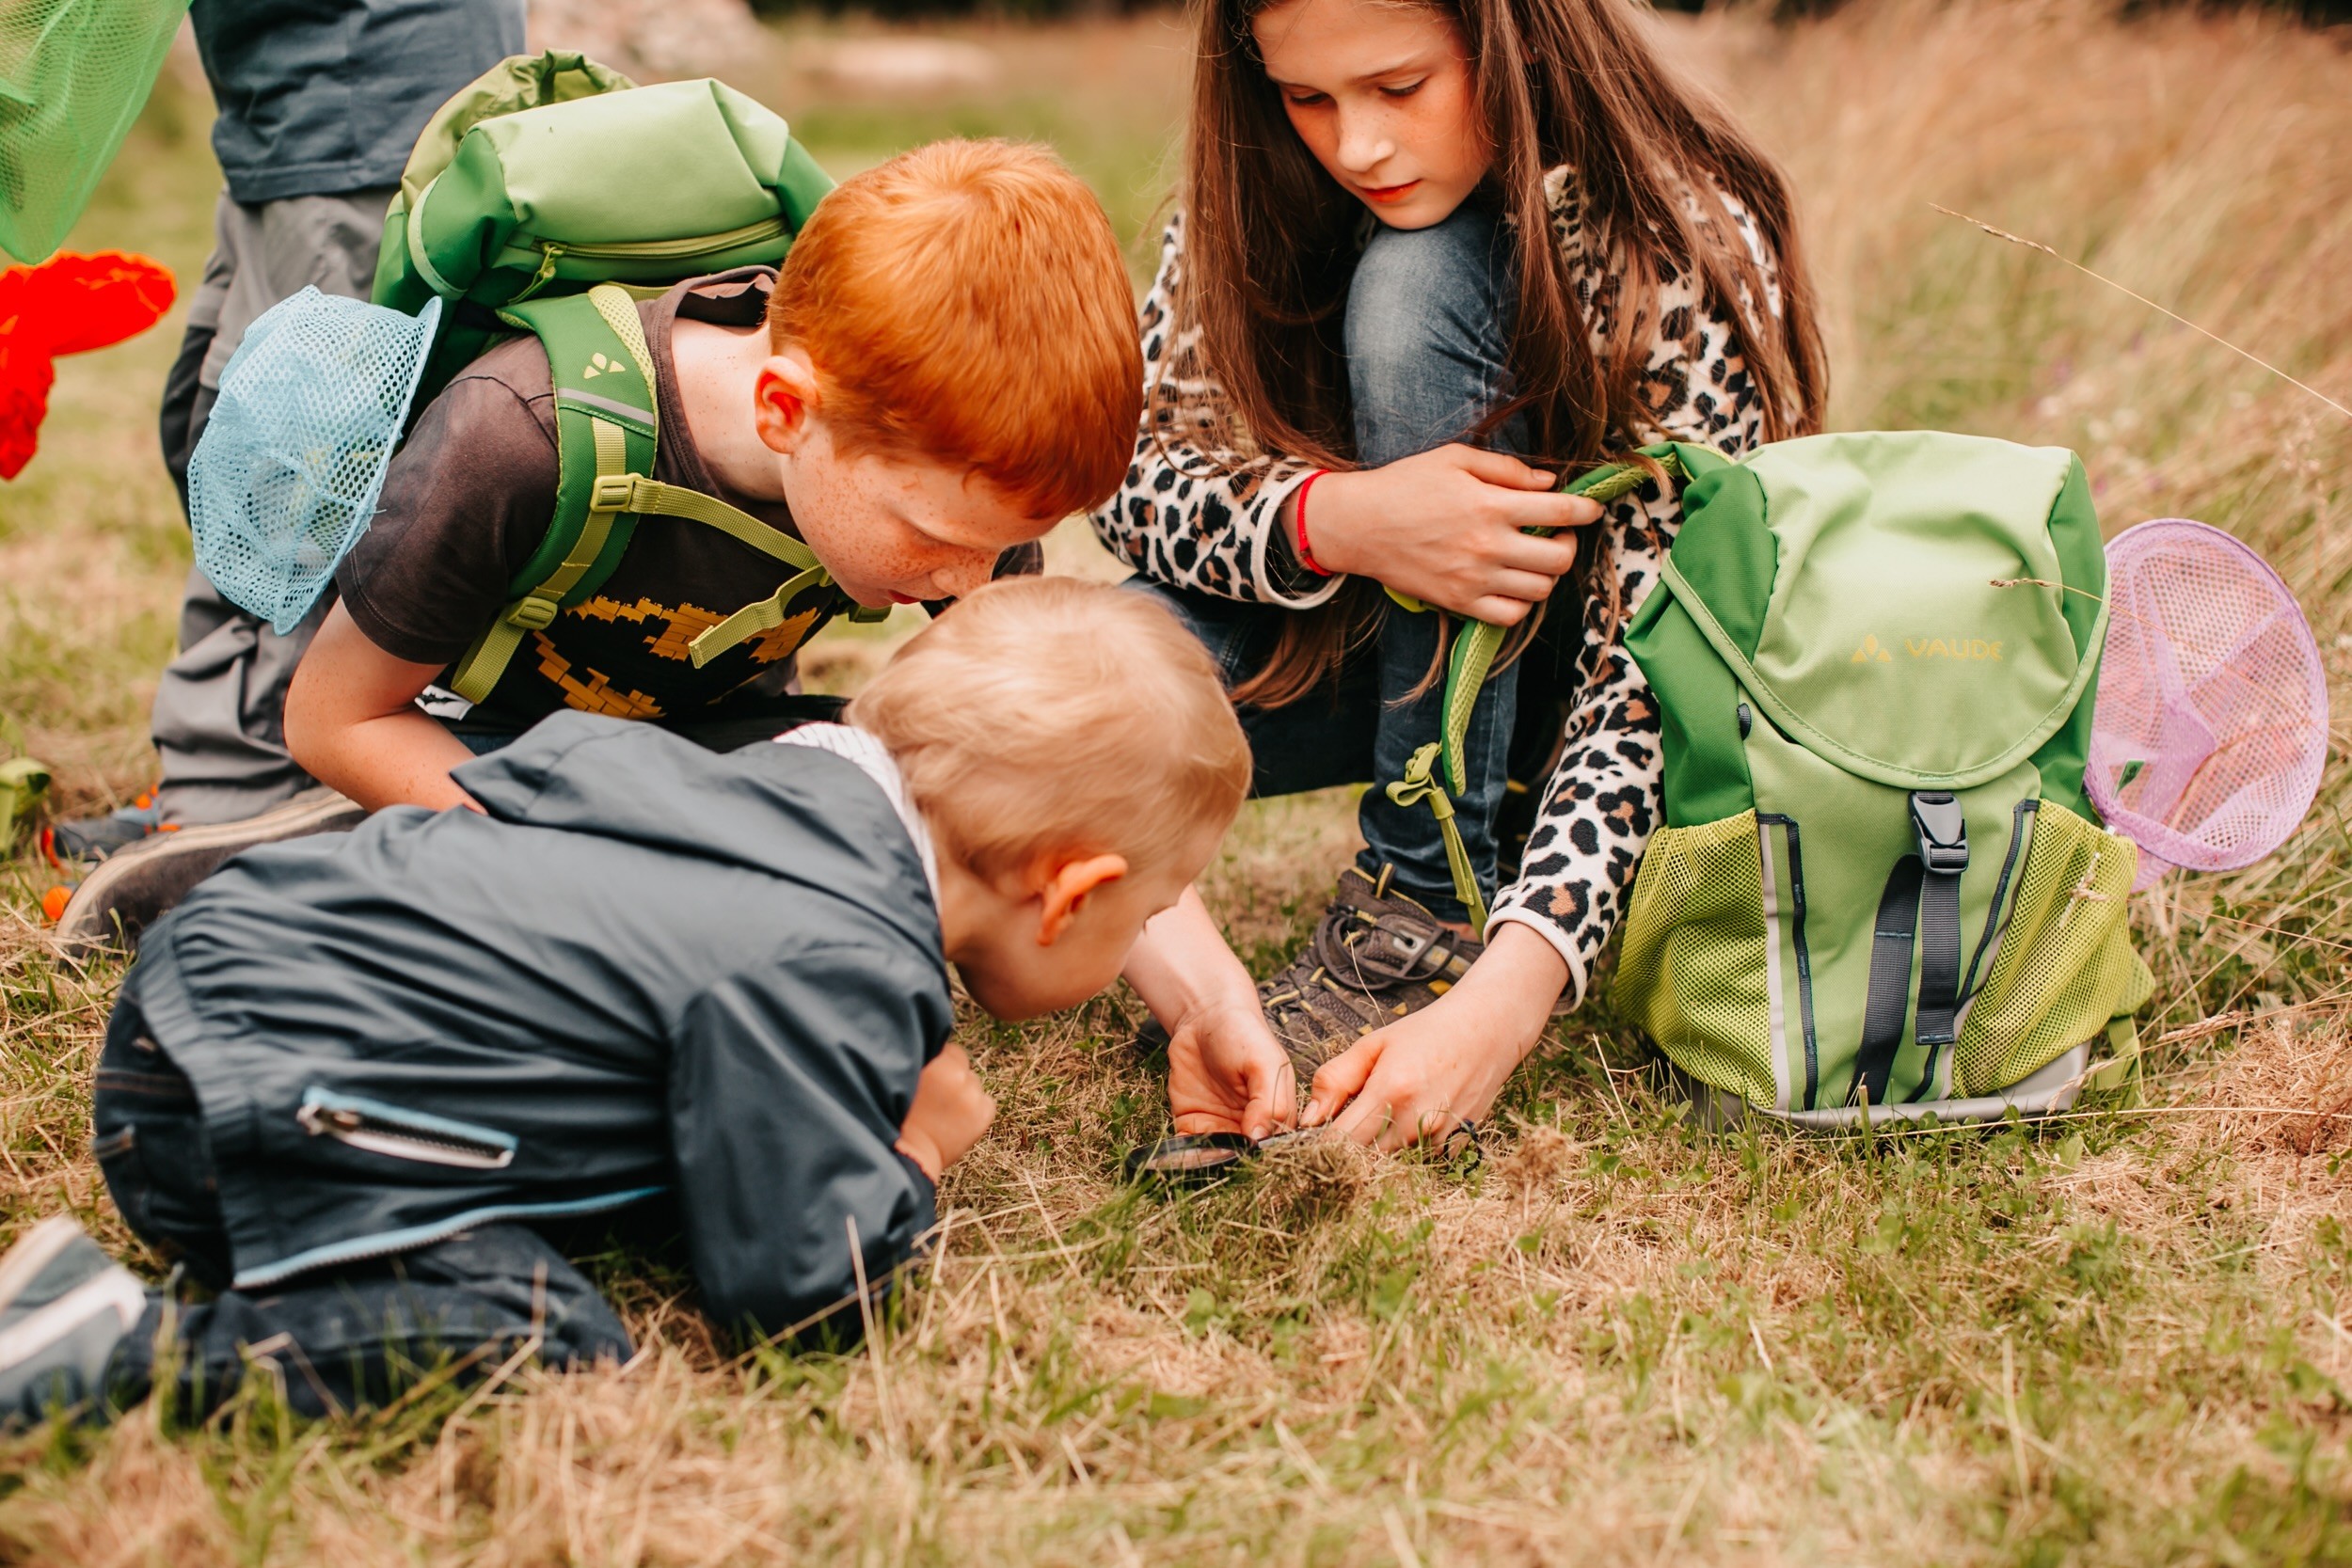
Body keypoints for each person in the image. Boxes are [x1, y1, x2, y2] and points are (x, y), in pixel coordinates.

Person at [0, 578, 1253, 1428]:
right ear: (1066, 888)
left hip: (221, 969)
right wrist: (911, 1151)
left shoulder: (737, 782)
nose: (1142, 935)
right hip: (258, 1103)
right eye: (1143, 914)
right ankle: (125, 1348)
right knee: (540, 1327)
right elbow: (793, 1290)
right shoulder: (840, 955)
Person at [54, 138, 1142, 943]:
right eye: (937, 542)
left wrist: (1200, 994)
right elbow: (333, 717)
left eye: (1007, 546)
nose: (971, 582)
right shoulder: (514, 434)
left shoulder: (953, 476)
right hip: (480, 747)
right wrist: (602, 864)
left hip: (694, 751)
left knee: (913, 782)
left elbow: (1036, 761)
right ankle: (283, 864)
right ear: (783, 410)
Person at [1097, 0, 1829, 1147]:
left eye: (1398, 88)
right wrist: (1336, 521)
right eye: (1307, 99)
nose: (1355, 147)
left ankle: (1426, 897)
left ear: (1515, 39)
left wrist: (1506, 996)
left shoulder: (1671, 237)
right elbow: (1130, 480)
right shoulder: (1254, 200)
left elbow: (1667, 671)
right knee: (1092, 685)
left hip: (1581, 714)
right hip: (1350, 648)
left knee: (1414, 281)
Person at [47, 0, 527, 863]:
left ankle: (245, 795)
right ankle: (248, 763)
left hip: (362, 113)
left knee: (287, 495)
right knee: (205, 433)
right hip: (292, 120)